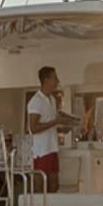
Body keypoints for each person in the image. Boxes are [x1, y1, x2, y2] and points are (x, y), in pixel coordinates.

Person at [26, 66, 74, 194]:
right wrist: (56, 121)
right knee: (41, 188)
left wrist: (64, 126)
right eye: (55, 78)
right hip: (41, 151)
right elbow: (33, 128)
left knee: (54, 186)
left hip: (52, 148)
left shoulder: (52, 99)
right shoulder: (35, 101)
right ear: (46, 80)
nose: (57, 81)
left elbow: (51, 124)